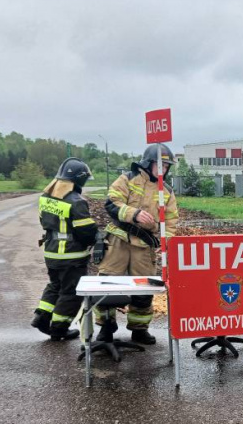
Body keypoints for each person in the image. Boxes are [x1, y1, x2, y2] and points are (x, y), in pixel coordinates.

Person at [95, 143, 179, 345]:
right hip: (118, 240)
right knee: (108, 285)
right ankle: (106, 328)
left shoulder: (166, 191)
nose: (164, 170)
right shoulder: (128, 179)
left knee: (144, 289)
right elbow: (112, 202)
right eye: (161, 165)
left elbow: (171, 219)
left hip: (144, 245)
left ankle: (139, 329)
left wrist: (165, 241)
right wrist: (134, 214)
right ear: (149, 162)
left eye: (167, 166)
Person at [30, 157, 98, 341]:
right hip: (72, 256)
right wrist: (97, 237)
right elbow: (86, 232)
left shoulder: (45, 198)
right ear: (79, 179)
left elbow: (43, 222)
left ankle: (42, 317)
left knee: (55, 286)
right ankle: (60, 328)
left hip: (51, 252)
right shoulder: (76, 202)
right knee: (71, 293)